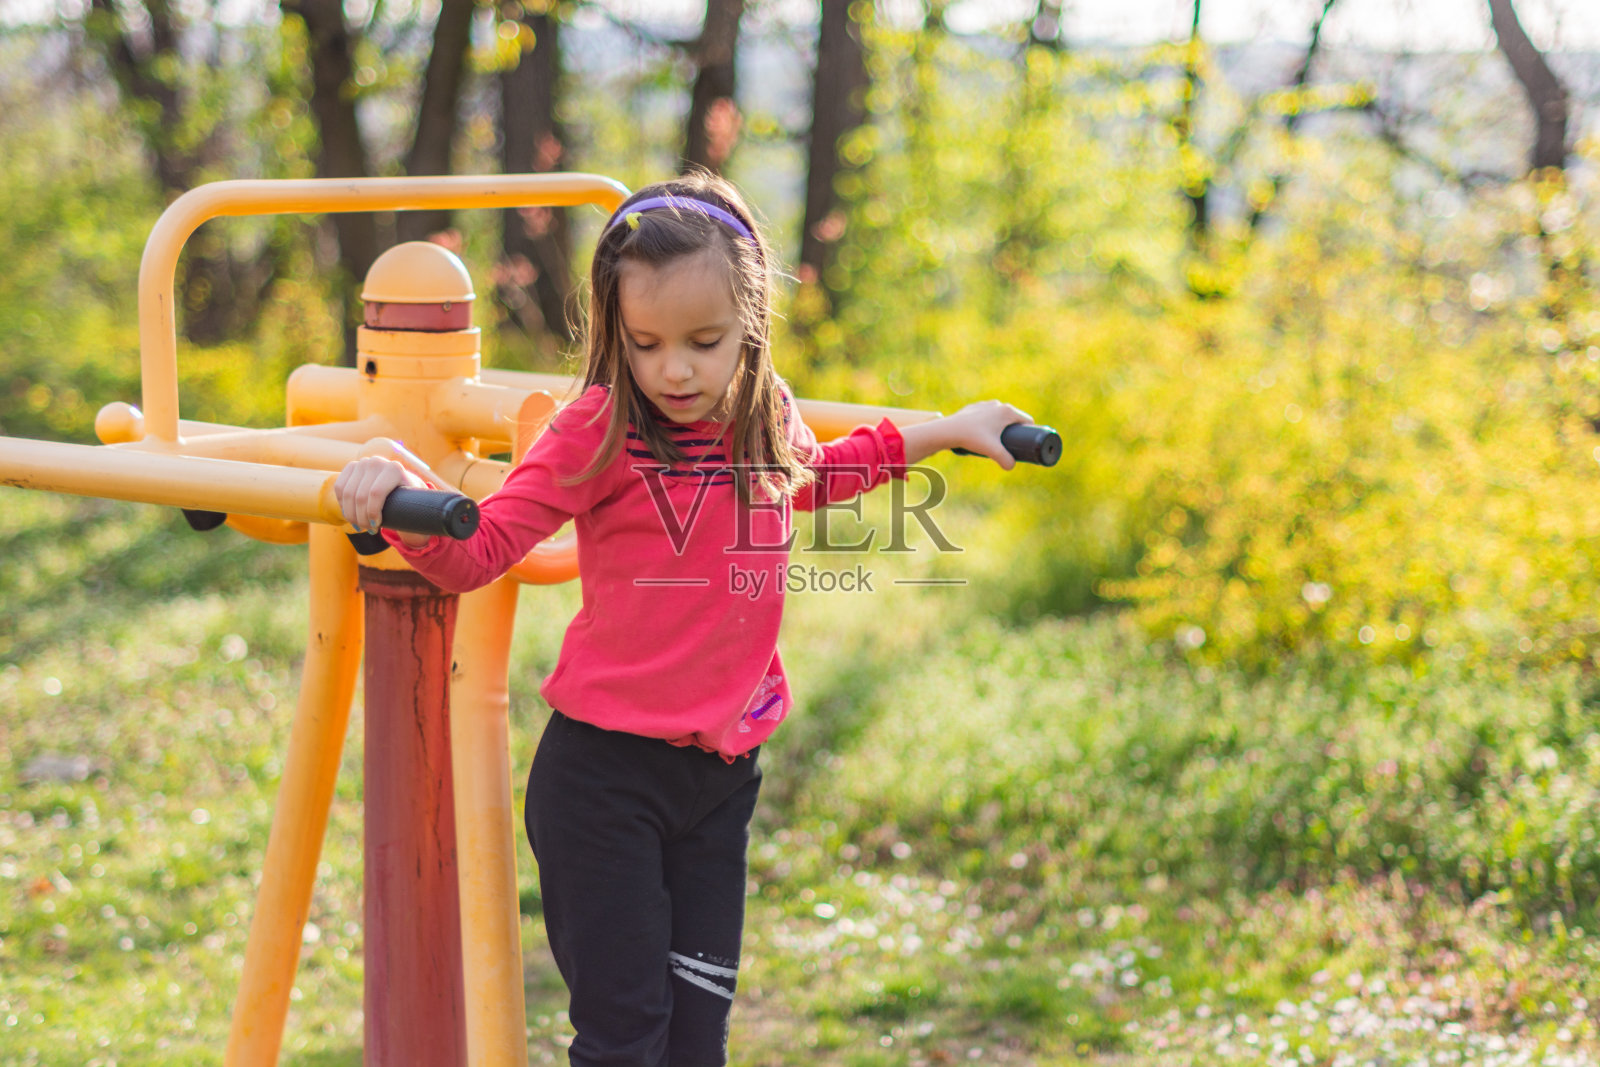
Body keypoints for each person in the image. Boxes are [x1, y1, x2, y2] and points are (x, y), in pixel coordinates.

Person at [333, 172, 1032, 1067]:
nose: (675, 368)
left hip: (720, 784)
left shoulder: (761, 416)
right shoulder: (600, 427)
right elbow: (483, 549)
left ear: (750, 325)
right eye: (648, 342)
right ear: (616, 330)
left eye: (705, 341)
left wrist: (949, 429)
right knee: (628, 1042)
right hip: (602, 786)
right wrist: (394, 498)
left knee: (698, 1043)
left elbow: (823, 473)